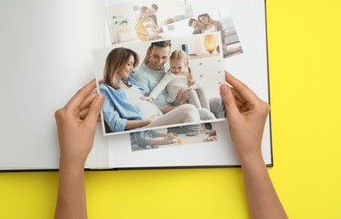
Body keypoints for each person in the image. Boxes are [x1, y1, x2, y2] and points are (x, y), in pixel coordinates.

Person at [54, 72, 288, 219]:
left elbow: (156, 107)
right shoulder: (110, 93)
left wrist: (71, 163)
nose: (130, 71)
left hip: (160, 118)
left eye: (132, 67)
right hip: (148, 127)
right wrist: (251, 154)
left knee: (203, 108)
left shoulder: (134, 87)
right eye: (127, 66)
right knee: (191, 110)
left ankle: (199, 124)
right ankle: (196, 128)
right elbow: (121, 123)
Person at [99, 47, 201, 136]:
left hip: (160, 118)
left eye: (133, 65)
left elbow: (139, 70)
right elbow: (116, 124)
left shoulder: (130, 80)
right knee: (189, 109)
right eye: (129, 64)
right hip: (147, 127)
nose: (132, 68)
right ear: (117, 64)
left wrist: (148, 57)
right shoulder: (106, 90)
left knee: (204, 112)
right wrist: (148, 121)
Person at [133, 40, 224, 120]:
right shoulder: (140, 76)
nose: (160, 61)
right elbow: (148, 106)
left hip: (186, 100)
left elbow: (187, 79)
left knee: (219, 102)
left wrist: (192, 87)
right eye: (156, 56)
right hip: (170, 112)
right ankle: (207, 124)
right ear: (149, 51)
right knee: (206, 114)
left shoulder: (171, 65)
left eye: (164, 57)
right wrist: (179, 106)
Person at [146, 49, 212, 113]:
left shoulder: (186, 73)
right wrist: (151, 97)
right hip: (177, 100)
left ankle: (207, 113)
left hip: (187, 94)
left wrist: (193, 86)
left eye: (179, 67)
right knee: (191, 92)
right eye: (173, 67)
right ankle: (201, 116)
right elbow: (160, 86)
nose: (176, 70)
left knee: (200, 88)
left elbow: (195, 84)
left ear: (186, 65)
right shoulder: (170, 75)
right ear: (170, 65)